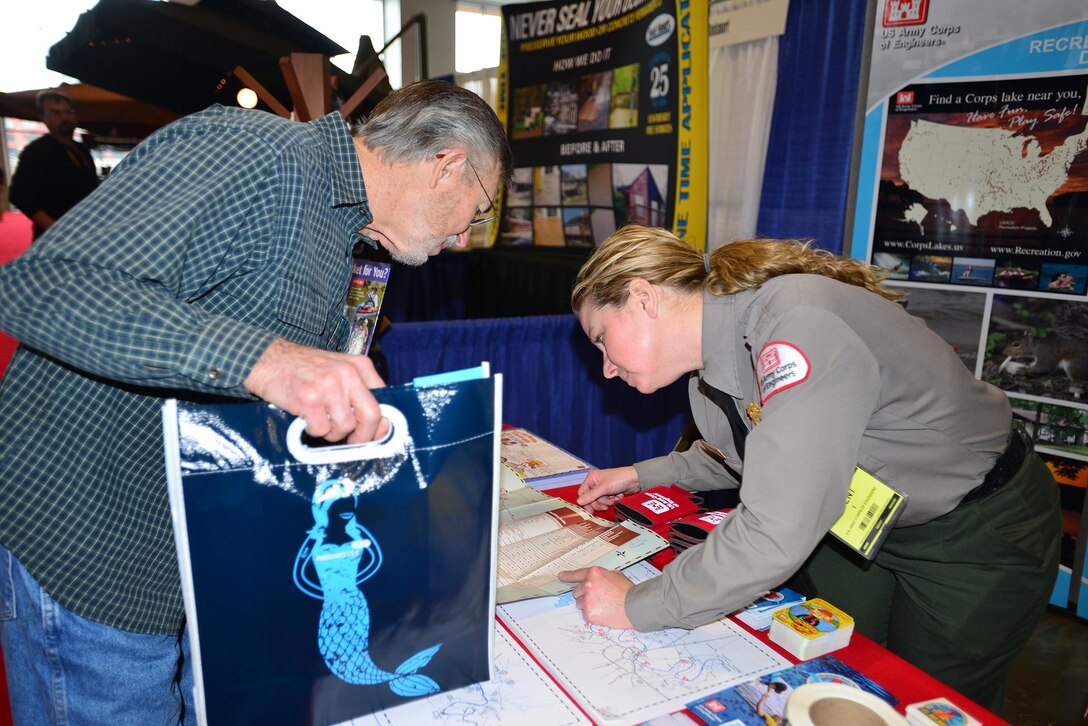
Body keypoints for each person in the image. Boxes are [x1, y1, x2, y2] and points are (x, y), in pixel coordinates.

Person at [0, 79, 511, 723]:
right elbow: (43, 286)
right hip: (95, 555)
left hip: (192, 564)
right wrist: (270, 362)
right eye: (481, 210)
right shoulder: (253, 151)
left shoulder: (341, 231)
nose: (466, 237)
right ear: (449, 163)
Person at [558, 224, 1060, 713]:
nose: (605, 367)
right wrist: (640, 475)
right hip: (864, 524)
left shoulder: (795, 327)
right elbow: (749, 456)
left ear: (644, 298)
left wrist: (638, 605)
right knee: (842, 678)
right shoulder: (708, 373)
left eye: (602, 338)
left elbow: (777, 526)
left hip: (976, 530)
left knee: (927, 704)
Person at [8, 90, 100, 240]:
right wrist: (55, 228)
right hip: (53, 235)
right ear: (43, 118)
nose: (64, 117)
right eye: (55, 113)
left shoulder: (81, 149)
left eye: (67, 111)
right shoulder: (36, 151)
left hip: (86, 230)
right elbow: (19, 195)